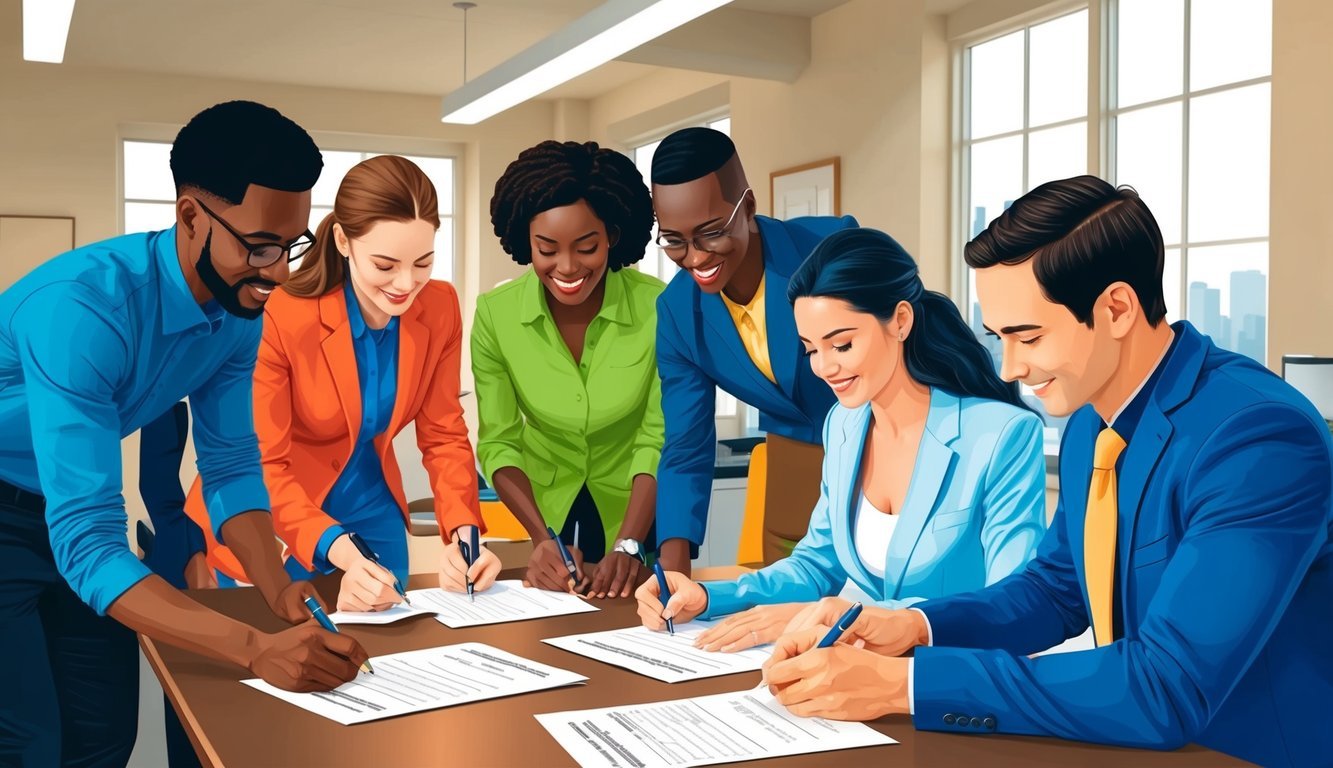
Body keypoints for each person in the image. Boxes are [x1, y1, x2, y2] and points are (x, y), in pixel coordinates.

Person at [762, 176, 1333, 768]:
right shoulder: (1092, 422)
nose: (1009, 368)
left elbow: (1166, 684)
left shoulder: (1258, 437)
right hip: (1129, 741)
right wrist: (911, 626)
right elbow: (1055, 590)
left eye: (1027, 336)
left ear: (1116, 308)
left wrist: (903, 686)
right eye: (998, 337)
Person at [0, 100, 368, 766]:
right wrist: (254, 648)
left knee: (103, 734)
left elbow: (229, 464)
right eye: (259, 246)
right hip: (7, 513)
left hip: (65, 509)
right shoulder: (82, 310)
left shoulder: (236, 311)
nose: (278, 272)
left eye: (291, 245)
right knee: (28, 743)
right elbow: (86, 537)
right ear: (191, 216)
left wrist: (275, 580)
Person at [636, 228, 1046, 650]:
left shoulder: (1001, 435)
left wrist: (851, 619)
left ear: (901, 321)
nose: (825, 368)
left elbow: (1012, 602)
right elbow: (816, 565)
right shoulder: (844, 425)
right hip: (858, 667)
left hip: (949, 679)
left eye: (842, 345)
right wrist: (705, 596)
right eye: (811, 349)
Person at [184, 155, 500, 609]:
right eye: (386, 265)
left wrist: (463, 532)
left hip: (372, 506)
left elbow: (444, 432)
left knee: (395, 650)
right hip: (275, 511)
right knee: (291, 655)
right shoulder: (279, 315)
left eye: (423, 263)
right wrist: (341, 552)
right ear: (343, 241)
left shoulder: (441, 307)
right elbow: (262, 462)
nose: (406, 285)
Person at [651, 127, 858, 573]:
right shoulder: (677, 313)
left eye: (709, 233)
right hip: (793, 469)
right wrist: (672, 570)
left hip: (882, 461)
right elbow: (687, 444)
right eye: (673, 240)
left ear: (747, 207)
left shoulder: (829, 250)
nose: (694, 258)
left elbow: (914, 358)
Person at [473, 140, 663, 598]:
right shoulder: (496, 315)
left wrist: (631, 543)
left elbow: (657, 436)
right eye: (547, 249)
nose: (568, 267)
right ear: (526, 241)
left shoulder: (659, 307)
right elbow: (499, 440)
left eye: (586, 246)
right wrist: (542, 539)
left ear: (613, 235)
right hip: (547, 518)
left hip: (639, 511)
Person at [137, 401, 209, 768]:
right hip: (201, 568)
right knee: (196, 732)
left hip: (301, 563)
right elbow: (157, 484)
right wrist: (192, 551)